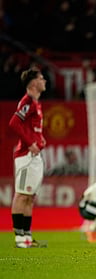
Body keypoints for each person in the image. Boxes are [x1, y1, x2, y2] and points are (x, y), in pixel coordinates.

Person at [8, 68, 47, 248]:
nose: (44, 80)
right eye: (41, 78)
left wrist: (39, 139)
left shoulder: (36, 104)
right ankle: (19, 238)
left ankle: (27, 238)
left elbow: (30, 127)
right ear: (33, 83)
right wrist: (31, 141)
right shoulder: (27, 101)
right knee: (22, 195)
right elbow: (14, 122)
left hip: (34, 154)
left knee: (30, 196)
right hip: (25, 155)